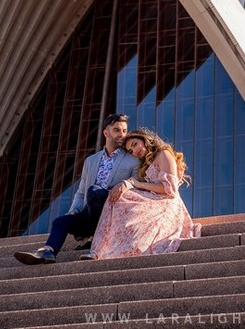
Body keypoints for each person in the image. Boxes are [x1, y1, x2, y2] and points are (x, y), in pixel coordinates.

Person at [14, 113, 139, 264]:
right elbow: (80, 193)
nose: (122, 135)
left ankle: (95, 239)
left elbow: (135, 189)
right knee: (61, 221)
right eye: (117, 130)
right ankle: (48, 252)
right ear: (106, 133)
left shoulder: (133, 160)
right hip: (90, 213)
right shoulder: (90, 161)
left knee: (94, 191)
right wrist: (74, 210)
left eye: (124, 131)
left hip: (112, 214)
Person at [81, 128, 199, 260]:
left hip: (168, 202)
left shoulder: (163, 154)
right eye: (131, 151)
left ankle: (116, 248)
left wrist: (137, 184)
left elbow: (170, 189)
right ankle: (99, 249)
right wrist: (127, 184)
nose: (135, 151)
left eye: (135, 144)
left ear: (144, 139)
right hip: (154, 199)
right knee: (118, 197)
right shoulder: (145, 163)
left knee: (127, 202)